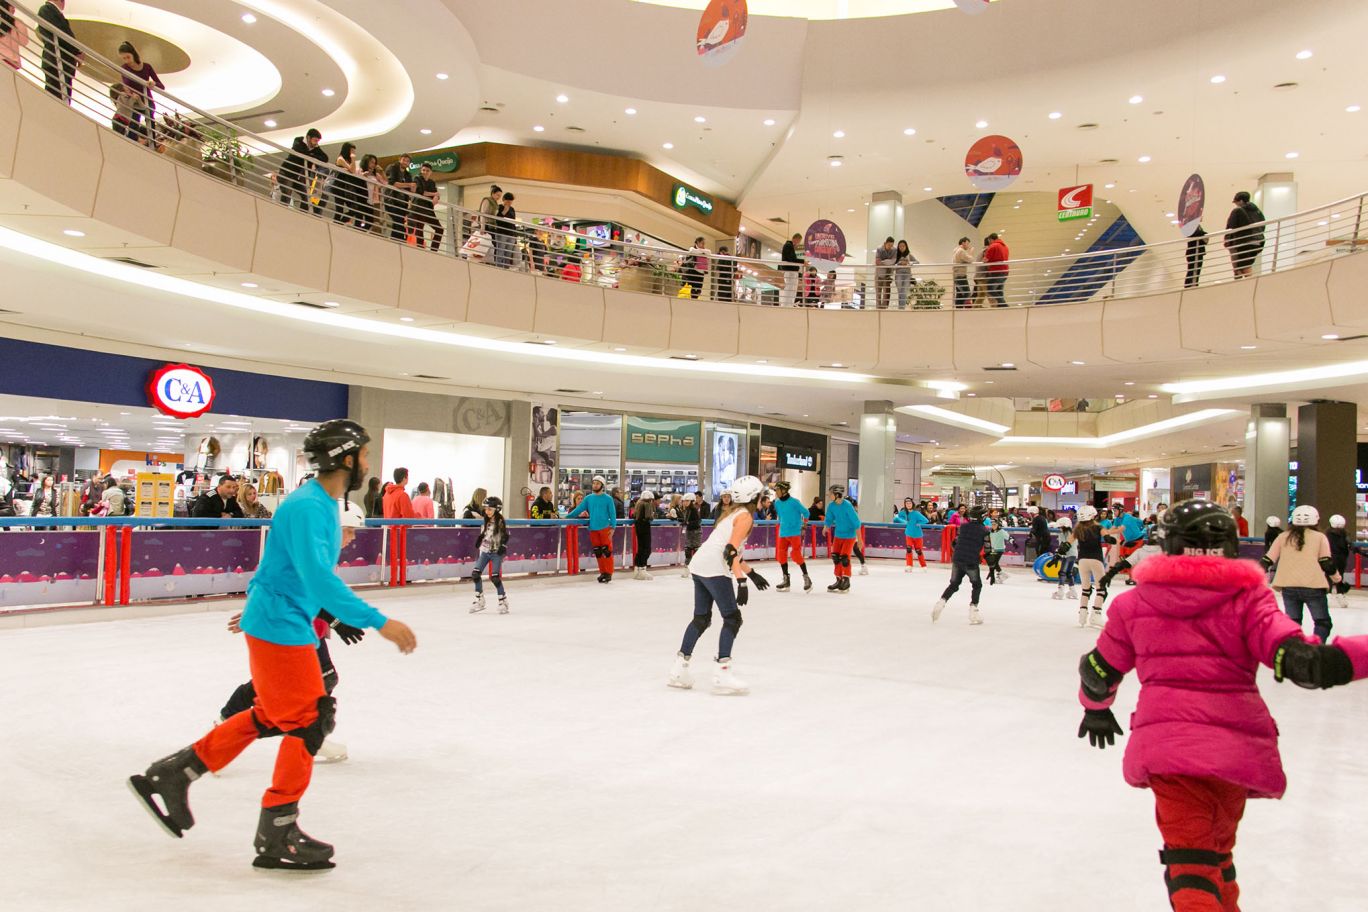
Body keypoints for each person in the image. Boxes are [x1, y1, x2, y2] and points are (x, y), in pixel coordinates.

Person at [128, 420, 418, 871]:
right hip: (279, 624)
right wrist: (378, 621)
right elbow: (316, 578)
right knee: (308, 722)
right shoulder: (307, 507)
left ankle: (173, 774)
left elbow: (302, 576)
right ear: (345, 458)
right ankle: (277, 830)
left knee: (273, 715)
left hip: (286, 621)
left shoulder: (322, 503)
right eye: (362, 454)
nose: (366, 462)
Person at [1074, 500, 1368, 912]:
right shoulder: (1251, 602)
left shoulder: (1133, 605)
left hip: (1170, 750)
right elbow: (1306, 663)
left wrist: (1096, 707)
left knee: (1191, 858)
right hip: (1236, 751)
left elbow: (1098, 670)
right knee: (1217, 851)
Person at [215, 502, 366, 766]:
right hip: (294, 629)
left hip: (306, 628)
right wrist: (338, 621)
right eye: (350, 531)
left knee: (308, 681)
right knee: (306, 682)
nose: (353, 538)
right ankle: (231, 724)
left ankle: (309, 735)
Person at [668, 476, 769, 695]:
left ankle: (679, 669)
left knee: (701, 618)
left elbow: (732, 552)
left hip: (700, 565)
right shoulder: (745, 517)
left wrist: (752, 575)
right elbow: (730, 551)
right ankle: (723, 671)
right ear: (753, 497)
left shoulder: (732, 513)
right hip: (714, 567)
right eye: (762, 494)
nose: (765, 498)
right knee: (732, 618)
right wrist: (740, 581)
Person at [1264, 504, 1339, 643]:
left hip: (1288, 586)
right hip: (1314, 586)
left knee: (1293, 624)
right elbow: (1326, 563)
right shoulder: (1320, 537)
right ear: (1316, 520)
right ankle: (1314, 648)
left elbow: (1267, 560)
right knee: (1322, 622)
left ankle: (1295, 652)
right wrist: (1337, 579)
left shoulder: (1283, 536)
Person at [933, 505, 989, 624]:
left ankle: (941, 603)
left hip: (957, 559)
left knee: (953, 585)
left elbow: (955, 542)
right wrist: (993, 566)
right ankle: (973, 611)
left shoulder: (963, 527)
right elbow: (988, 549)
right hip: (971, 561)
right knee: (977, 585)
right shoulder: (984, 531)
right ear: (982, 517)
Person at [1053, 505, 1107, 627]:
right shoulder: (1098, 527)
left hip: (1082, 561)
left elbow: (1066, 545)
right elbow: (1107, 536)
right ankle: (1096, 615)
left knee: (1086, 589)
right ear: (1093, 515)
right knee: (1101, 589)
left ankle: (1082, 615)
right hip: (1096, 560)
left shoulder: (1077, 530)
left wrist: (1057, 554)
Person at [568, 475, 617, 583]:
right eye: (594, 483)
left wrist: (613, 527)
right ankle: (603, 572)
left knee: (606, 551)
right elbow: (578, 509)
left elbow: (613, 514)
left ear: (602, 485)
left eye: (597, 483)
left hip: (605, 528)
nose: (595, 485)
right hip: (593, 529)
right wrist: (566, 517)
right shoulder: (588, 498)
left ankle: (609, 573)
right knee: (598, 552)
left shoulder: (608, 499)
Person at [118, 41, 165, 145]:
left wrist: (153, 83)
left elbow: (162, 86)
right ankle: (133, 146)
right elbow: (125, 86)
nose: (126, 60)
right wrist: (131, 94)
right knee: (134, 125)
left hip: (147, 100)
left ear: (133, 55)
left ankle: (152, 145)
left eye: (128, 57)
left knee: (150, 124)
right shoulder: (124, 68)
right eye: (124, 58)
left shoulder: (147, 67)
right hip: (135, 101)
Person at [469, 496, 510, 614]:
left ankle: (503, 601)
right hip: (485, 551)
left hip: (496, 552)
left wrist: (503, 546)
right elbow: (486, 532)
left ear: (496, 510)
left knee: (495, 578)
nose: (487, 512)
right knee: (475, 574)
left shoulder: (500, 521)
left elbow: (505, 535)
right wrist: (480, 537)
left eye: (490, 509)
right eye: (486, 509)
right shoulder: (487, 520)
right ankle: (479, 600)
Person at [771, 480, 812, 593]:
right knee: (781, 555)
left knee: (796, 555)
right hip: (783, 532)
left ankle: (806, 577)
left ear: (784, 490)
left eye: (777, 490)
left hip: (794, 533)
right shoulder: (777, 503)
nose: (776, 492)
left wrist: (804, 526)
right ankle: (786, 579)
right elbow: (780, 516)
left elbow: (806, 513)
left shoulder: (795, 502)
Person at [37, 0, 79, 104]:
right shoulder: (47, 9)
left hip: (62, 63)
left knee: (62, 99)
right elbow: (62, 32)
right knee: (56, 99)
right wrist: (77, 50)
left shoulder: (53, 12)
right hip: (56, 61)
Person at [823, 485, 860, 593]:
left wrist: (860, 540)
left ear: (837, 494)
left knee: (844, 557)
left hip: (849, 535)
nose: (829, 495)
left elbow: (856, 522)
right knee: (835, 557)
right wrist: (826, 527)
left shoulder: (847, 506)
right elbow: (829, 518)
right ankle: (838, 579)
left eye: (831, 493)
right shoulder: (831, 506)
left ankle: (846, 579)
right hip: (838, 535)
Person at [281, 129, 327, 213]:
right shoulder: (298, 140)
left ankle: (302, 215)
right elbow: (298, 151)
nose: (316, 143)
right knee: (287, 193)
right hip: (287, 172)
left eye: (317, 141)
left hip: (297, 177)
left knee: (306, 197)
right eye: (315, 140)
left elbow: (325, 158)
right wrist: (312, 155)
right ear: (308, 138)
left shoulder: (316, 148)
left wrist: (310, 155)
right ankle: (282, 213)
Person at [1225, 191, 1266, 279]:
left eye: (1236, 201)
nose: (1235, 203)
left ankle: (1247, 284)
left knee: (1241, 265)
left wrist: (1228, 240)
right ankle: (1246, 283)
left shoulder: (1238, 211)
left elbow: (1231, 226)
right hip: (1258, 242)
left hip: (1244, 242)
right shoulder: (1257, 211)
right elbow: (1263, 224)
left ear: (1241, 201)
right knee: (1246, 264)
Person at [409, 163, 444, 252]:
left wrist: (436, 196)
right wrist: (434, 194)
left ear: (430, 172)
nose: (425, 172)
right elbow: (420, 192)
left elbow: (436, 194)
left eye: (427, 171)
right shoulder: (417, 178)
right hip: (418, 207)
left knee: (439, 229)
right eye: (423, 170)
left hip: (428, 209)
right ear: (421, 171)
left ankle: (433, 251)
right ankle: (421, 250)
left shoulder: (432, 182)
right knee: (420, 228)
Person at [383, 154, 415, 242]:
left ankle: (394, 243)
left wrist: (412, 187)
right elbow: (393, 183)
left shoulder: (407, 174)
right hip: (391, 200)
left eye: (407, 161)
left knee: (398, 223)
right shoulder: (392, 168)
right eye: (404, 160)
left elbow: (410, 190)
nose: (405, 162)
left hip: (402, 203)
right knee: (399, 223)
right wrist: (408, 185)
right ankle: (401, 242)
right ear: (400, 159)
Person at [895, 497, 929, 571]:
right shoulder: (903, 512)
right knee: (909, 549)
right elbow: (896, 518)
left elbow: (926, 520)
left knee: (918, 551)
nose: (908, 504)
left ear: (912, 504)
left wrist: (918, 523)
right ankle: (909, 565)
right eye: (907, 503)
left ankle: (923, 566)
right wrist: (903, 521)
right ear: (905, 504)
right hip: (909, 534)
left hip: (918, 535)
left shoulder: (916, 513)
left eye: (910, 503)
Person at [1327, 514, 1352, 610]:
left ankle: (1329, 595)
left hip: (1330, 557)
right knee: (1339, 576)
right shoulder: (1345, 534)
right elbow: (1349, 543)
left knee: (1329, 576)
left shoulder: (1327, 533)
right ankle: (1340, 595)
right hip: (1340, 558)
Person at [630, 490, 656, 580]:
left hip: (638, 526)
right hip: (645, 526)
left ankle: (637, 569)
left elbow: (634, 515)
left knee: (641, 548)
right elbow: (649, 517)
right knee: (646, 548)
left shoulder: (638, 504)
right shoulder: (647, 504)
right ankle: (642, 569)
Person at [677, 492, 702, 579]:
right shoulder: (687, 510)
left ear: (692, 501)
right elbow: (686, 520)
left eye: (687, 501)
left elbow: (697, 522)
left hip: (695, 532)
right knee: (688, 550)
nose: (685, 503)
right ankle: (687, 569)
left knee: (696, 551)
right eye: (684, 501)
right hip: (689, 531)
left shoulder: (694, 510)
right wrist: (681, 521)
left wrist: (687, 523)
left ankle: (697, 570)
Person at [982, 233, 1010, 306]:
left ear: (991, 239)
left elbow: (985, 260)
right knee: (999, 290)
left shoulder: (993, 246)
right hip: (1005, 271)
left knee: (990, 288)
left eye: (989, 241)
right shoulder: (1005, 246)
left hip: (996, 271)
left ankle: (1004, 305)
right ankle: (1002, 307)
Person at [491, 192, 518, 268]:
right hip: (502, 233)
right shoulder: (499, 207)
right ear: (504, 200)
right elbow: (498, 219)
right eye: (508, 201)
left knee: (508, 254)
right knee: (500, 251)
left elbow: (513, 223)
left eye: (511, 201)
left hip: (511, 234)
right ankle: (498, 268)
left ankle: (506, 269)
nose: (509, 203)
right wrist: (505, 210)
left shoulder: (512, 209)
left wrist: (515, 235)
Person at [873, 237, 897, 310]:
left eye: (891, 245)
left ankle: (884, 309)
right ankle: (878, 309)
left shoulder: (894, 250)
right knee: (878, 293)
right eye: (889, 245)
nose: (890, 247)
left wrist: (883, 262)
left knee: (886, 294)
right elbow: (877, 262)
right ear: (885, 243)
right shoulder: (879, 249)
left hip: (887, 275)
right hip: (879, 274)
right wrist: (888, 262)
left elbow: (894, 261)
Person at [779, 233, 803, 307]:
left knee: (791, 289)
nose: (798, 244)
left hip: (791, 271)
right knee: (790, 289)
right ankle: (787, 305)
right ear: (796, 239)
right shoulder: (789, 246)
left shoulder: (788, 246)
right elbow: (792, 259)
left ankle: (788, 305)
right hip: (790, 271)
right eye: (799, 242)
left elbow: (791, 259)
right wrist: (802, 262)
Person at [986, 516, 1010, 585]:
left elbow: (1008, 537)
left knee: (995, 563)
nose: (993, 526)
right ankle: (1001, 574)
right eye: (992, 525)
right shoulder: (991, 532)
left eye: (995, 524)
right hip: (993, 549)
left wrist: (1012, 541)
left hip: (1000, 549)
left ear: (998, 525)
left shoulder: (1001, 531)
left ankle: (1002, 575)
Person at [952, 237, 974, 308]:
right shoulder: (961, 251)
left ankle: (958, 309)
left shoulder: (956, 250)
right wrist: (971, 252)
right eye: (967, 243)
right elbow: (970, 259)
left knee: (960, 294)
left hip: (957, 275)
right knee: (967, 293)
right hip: (961, 275)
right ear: (963, 243)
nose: (968, 246)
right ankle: (960, 308)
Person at [893, 240, 914, 309]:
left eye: (903, 246)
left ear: (906, 246)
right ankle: (901, 308)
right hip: (899, 274)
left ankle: (901, 309)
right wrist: (900, 263)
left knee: (904, 292)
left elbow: (917, 262)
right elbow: (893, 264)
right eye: (900, 246)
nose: (901, 247)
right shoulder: (896, 255)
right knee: (900, 292)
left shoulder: (909, 254)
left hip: (907, 275)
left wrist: (909, 263)